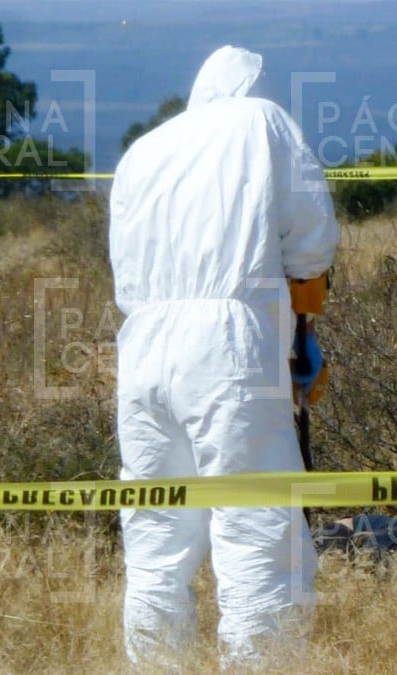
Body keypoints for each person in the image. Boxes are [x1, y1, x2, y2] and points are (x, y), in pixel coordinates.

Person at [108, 45, 340, 669]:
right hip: (228, 348)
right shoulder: (261, 121)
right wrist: (303, 326)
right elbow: (310, 236)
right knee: (259, 525)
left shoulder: (143, 150)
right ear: (257, 88)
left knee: (156, 535)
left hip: (142, 348)